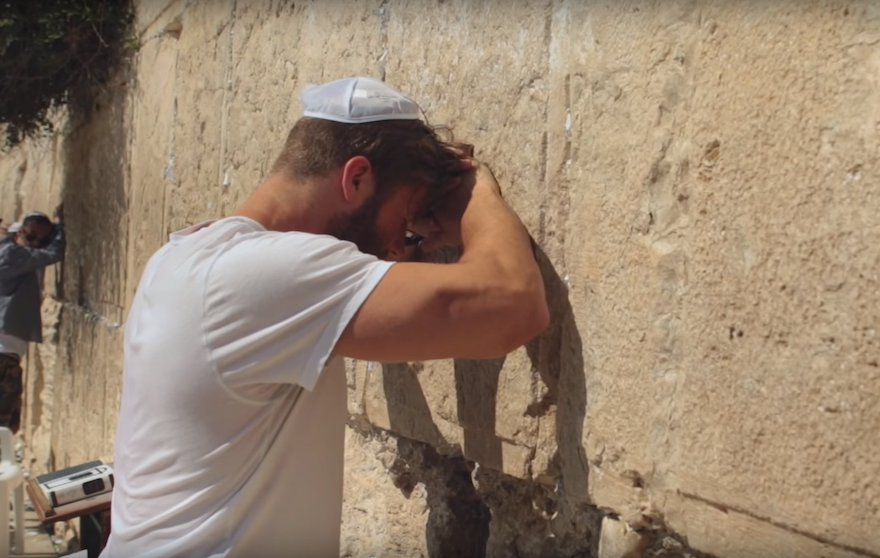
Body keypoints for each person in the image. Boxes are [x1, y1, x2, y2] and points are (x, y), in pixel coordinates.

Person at [102, 77, 549, 558]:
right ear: (356, 178)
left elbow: (382, 300)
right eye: (404, 219)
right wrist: (475, 191)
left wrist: (405, 223)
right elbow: (513, 305)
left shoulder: (187, 257)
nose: (401, 245)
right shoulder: (270, 275)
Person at [0, 209, 64, 434]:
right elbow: (53, 254)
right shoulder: (12, 255)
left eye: (42, 240)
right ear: (19, 233)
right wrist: (60, 226)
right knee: (4, 424)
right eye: (31, 237)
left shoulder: (14, 251)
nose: (37, 244)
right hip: (3, 355)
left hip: (7, 353)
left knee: (7, 424)